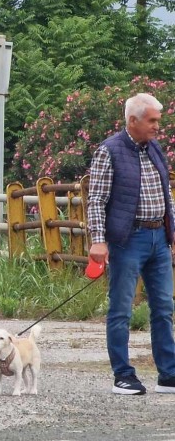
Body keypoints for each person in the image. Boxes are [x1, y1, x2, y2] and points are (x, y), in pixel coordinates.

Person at [87, 92, 175, 396]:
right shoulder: (109, 151)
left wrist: (170, 234)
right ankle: (123, 375)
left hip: (158, 240)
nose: (156, 127)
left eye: (158, 121)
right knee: (121, 309)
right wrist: (98, 241)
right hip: (127, 240)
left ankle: (168, 375)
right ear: (133, 120)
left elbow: (166, 195)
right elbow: (96, 199)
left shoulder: (155, 149)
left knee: (164, 307)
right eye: (152, 121)